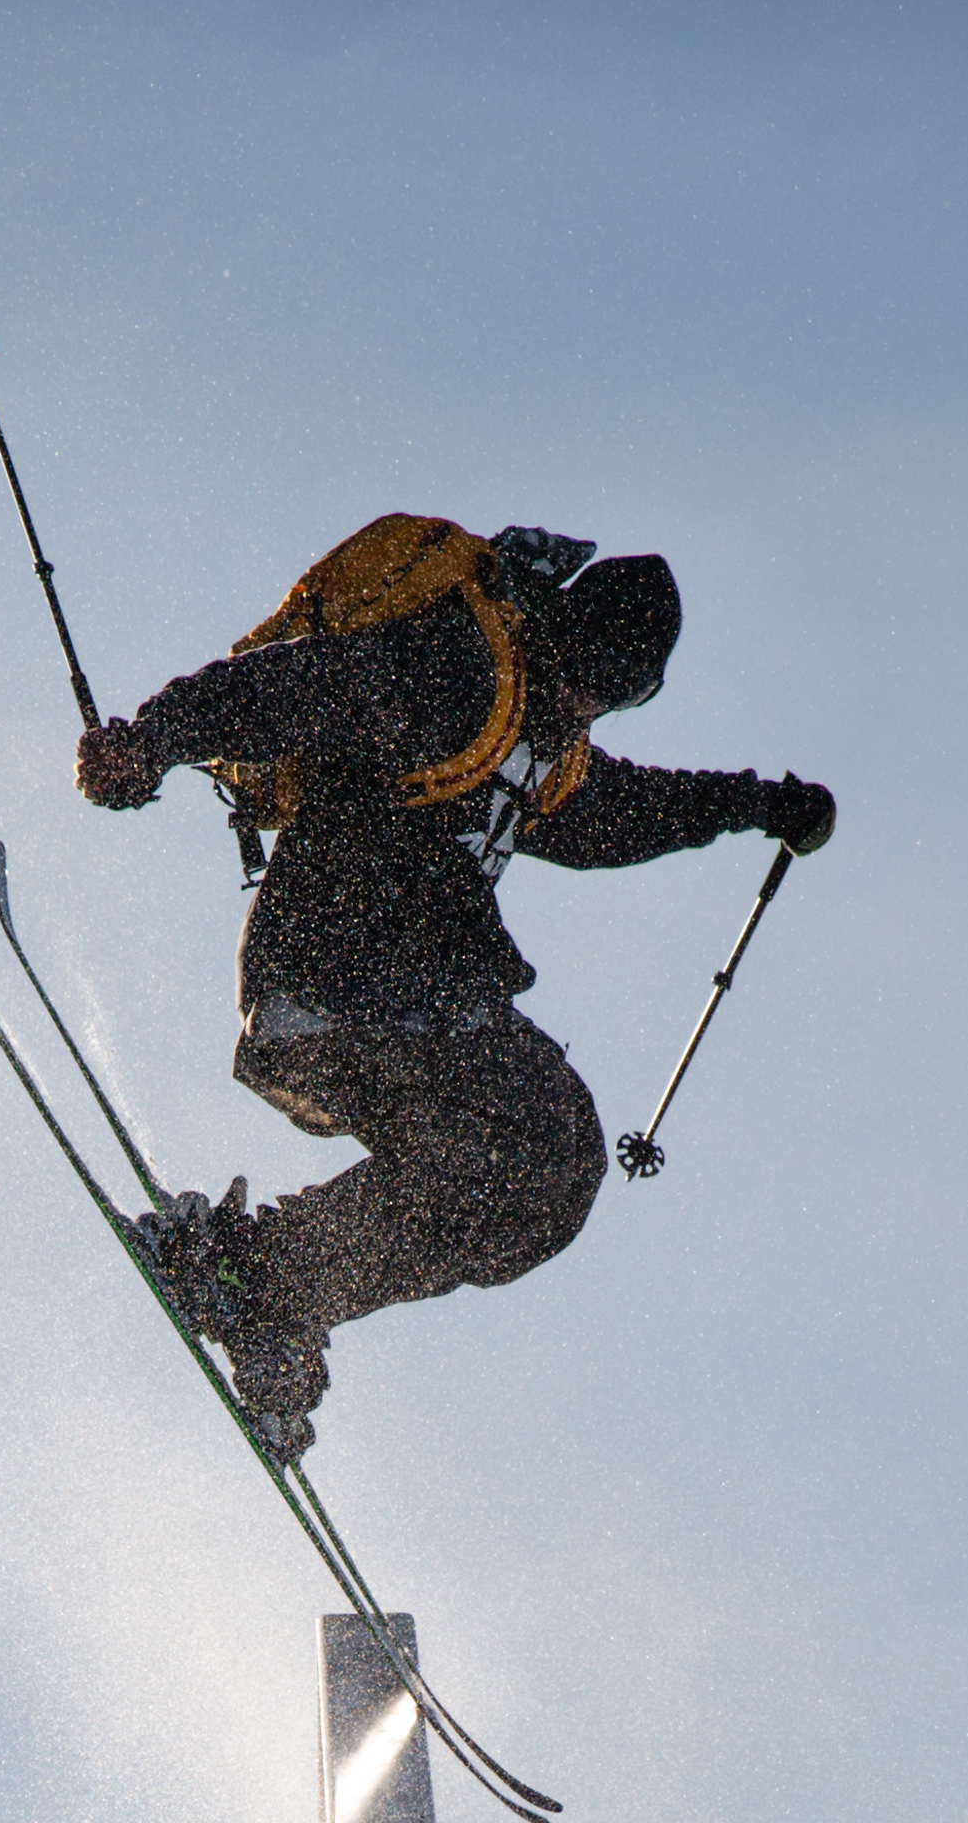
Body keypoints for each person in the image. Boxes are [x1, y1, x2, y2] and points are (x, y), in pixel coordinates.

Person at [74, 518, 831, 1457]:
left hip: (370, 1017)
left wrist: (756, 805)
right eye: (582, 662)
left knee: (529, 1187)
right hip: (346, 963)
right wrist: (151, 743)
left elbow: (620, 814)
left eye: (612, 693)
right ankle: (256, 1275)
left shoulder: (542, 748)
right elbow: (296, 688)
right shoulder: (459, 667)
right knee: (548, 1138)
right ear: (558, 627)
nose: (581, 696)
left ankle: (258, 1283)